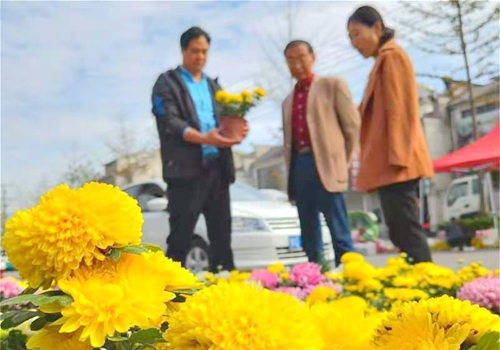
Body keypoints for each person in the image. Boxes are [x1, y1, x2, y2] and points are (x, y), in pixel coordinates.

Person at [151, 27, 246, 271]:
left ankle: (225, 288)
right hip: (185, 174)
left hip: (218, 170)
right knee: (180, 238)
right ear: (183, 50)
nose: (200, 57)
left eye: (204, 52)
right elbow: (170, 122)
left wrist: (236, 131)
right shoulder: (166, 83)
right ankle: (171, 297)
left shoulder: (215, 86)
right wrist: (206, 139)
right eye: (195, 51)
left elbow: (227, 118)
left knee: (222, 237)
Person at [347, 6, 434, 263]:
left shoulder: (392, 57)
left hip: (397, 162)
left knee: (406, 230)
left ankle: (433, 292)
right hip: (392, 162)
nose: (354, 43)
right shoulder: (383, 59)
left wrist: (398, 159)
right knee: (400, 230)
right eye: (350, 37)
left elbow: (401, 111)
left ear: (377, 28)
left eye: (356, 33)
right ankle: (420, 287)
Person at [282, 40, 361, 266]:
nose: (296, 64)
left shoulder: (332, 85)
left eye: (301, 58)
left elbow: (352, 127)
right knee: (308, 228)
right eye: (290, 60)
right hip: (300, 166)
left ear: (313, 57)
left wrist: (341, 160)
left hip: (327, 164)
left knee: (338, 226)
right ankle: (314, 277)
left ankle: (350, 277)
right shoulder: (287, 101)